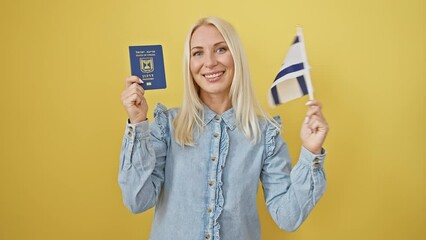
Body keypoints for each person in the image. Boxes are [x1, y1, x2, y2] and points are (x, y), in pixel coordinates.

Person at [119, 17, 329, 240]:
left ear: (235, 57)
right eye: (198, 53)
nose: (209, 62)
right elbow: (137, 200)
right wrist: (137, 124)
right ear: (189, 64)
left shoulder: (265, 134)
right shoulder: (167, 126)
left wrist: (311, 153)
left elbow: (287, 216)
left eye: (220, 49)